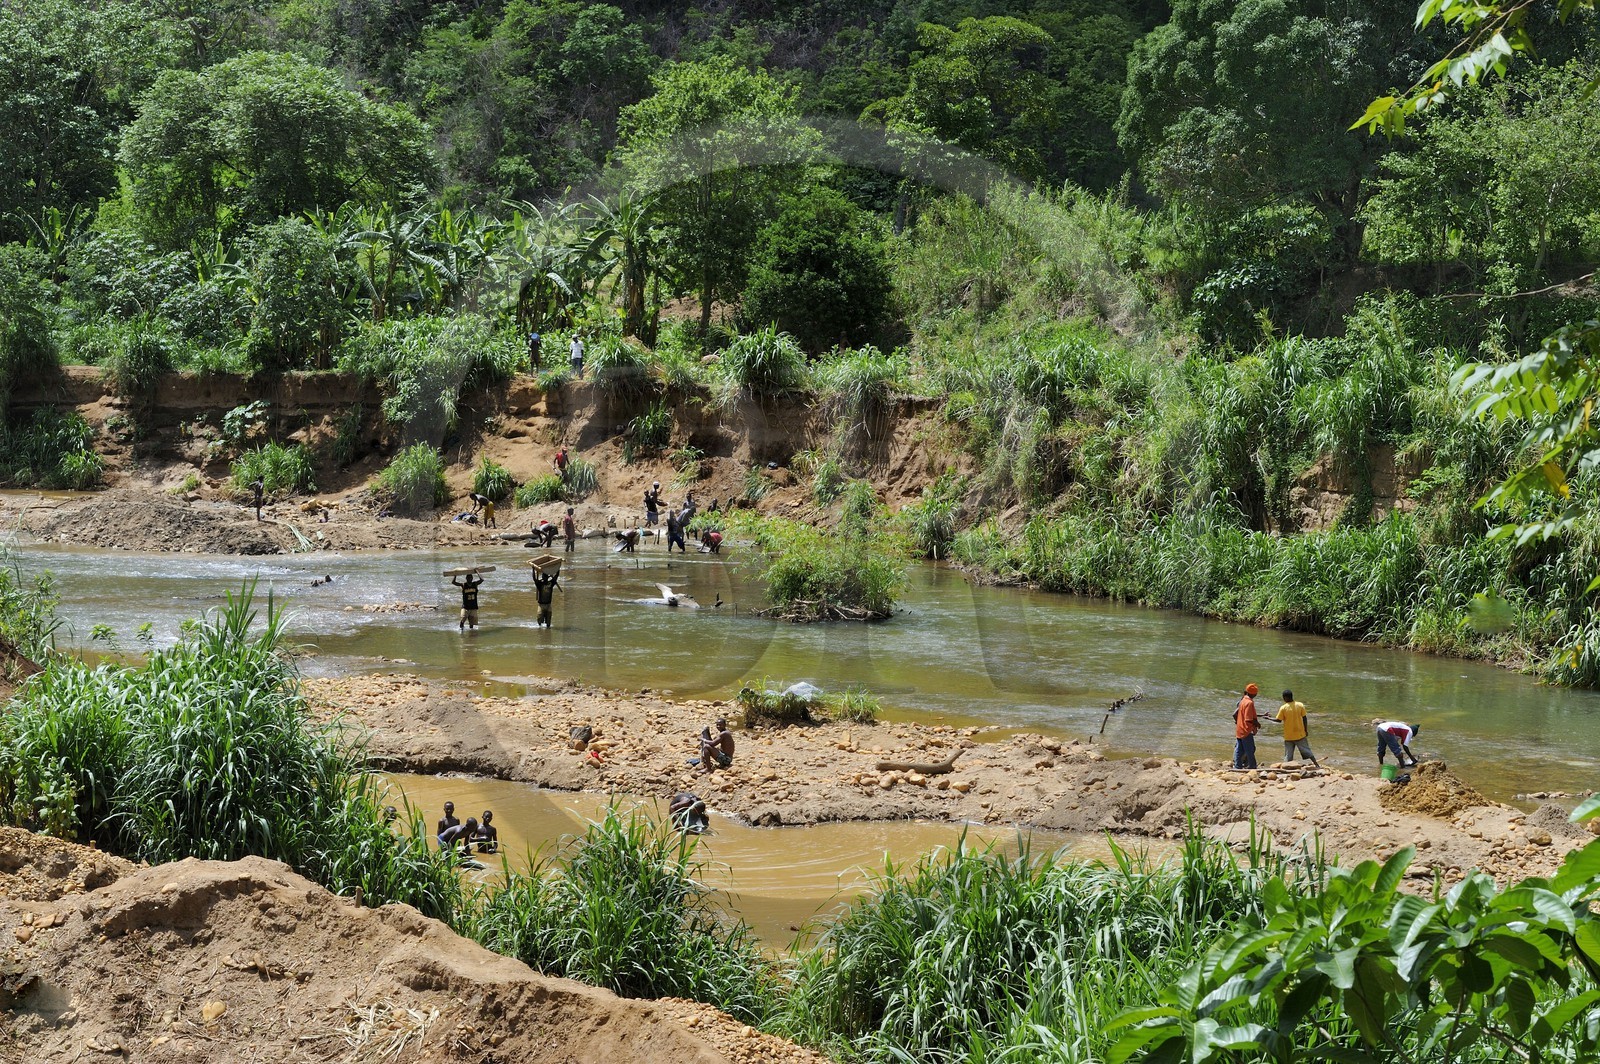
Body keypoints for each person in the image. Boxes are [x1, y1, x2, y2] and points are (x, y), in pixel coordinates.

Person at [1265, 689, 1319, 767]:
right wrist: (1305, 730)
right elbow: (1304, 718)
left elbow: (1278, 720)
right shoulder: (1300, 705)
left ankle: (1286, 767)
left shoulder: (1283, 708)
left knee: (1288, 755)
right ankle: (1316, 765)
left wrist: (1268, 718)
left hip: (1289, 736)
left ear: (1285, 698)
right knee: (1307, 750)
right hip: (1300, 734)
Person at [1232, 684, 1260, 770]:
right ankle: (1252, 766)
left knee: (1239, 750)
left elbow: (1236, 714)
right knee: (1250, 749)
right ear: (1254, 694)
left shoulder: (1243, 700)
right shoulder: (1249, 703)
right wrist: (1257, 724)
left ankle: (1237, 766)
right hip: (1246, 729)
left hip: (1240, 728)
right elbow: (1248, 719)